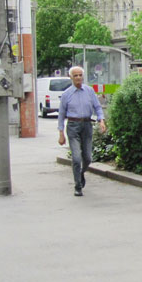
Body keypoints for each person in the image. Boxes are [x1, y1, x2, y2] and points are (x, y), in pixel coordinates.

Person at [57, 66, 106, 197]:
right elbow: (61, 115)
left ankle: (80, 173)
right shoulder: (67, 94)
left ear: (83, 77)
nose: (78, 77)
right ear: (71, 77)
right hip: (73, 125)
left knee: (88, 158)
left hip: (87, 125)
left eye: (80, 75)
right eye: (75, 75)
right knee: (77, 158)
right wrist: (61, 133)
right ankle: (78, 186)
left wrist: (101, 120)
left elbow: (97, 107)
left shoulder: (89, 91)